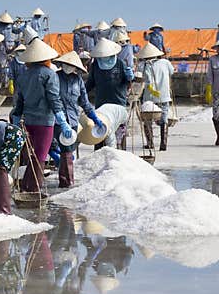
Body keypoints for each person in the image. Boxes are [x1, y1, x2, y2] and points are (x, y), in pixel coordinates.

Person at [10, 38, 68, 194]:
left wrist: (16, 120)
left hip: (28, 121)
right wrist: (62, 120)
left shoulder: (23, 76)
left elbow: (19, 102)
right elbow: (54, 99)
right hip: (45, 121)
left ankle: (26, 187)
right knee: (40, 156)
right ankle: (34, 190)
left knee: (33, 155)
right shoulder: (49, 74)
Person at [53, 51, 102, 187]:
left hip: (73, 120)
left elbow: (84, 102)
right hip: (58, 121)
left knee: (68, 151)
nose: (68, 67)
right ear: (62, 64)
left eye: (71, 65)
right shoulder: (55, 78)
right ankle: (68, 182)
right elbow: (52, 99)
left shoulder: (78, 80)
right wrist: (61, 121)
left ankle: (64, 181)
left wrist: (94, 118)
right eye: (66, 64)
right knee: (66, 150)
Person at [86, 38, 134, 149]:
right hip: (101, 106)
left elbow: (128, 83)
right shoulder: (95, 66)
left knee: (118, 137)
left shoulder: (120, 64)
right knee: (99, 133)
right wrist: (79, 95)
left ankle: (120, 159)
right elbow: (89, 84)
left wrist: (130, 77)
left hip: (118, 104)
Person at [138, 43, 175, 151]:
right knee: (164, 118)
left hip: (149, 96)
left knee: (147, 119)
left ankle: (150, 143)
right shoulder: (165, 62)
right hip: (164, 96)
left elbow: (141, 78)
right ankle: (163, 144)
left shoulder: (143, 65)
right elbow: (172, 72)